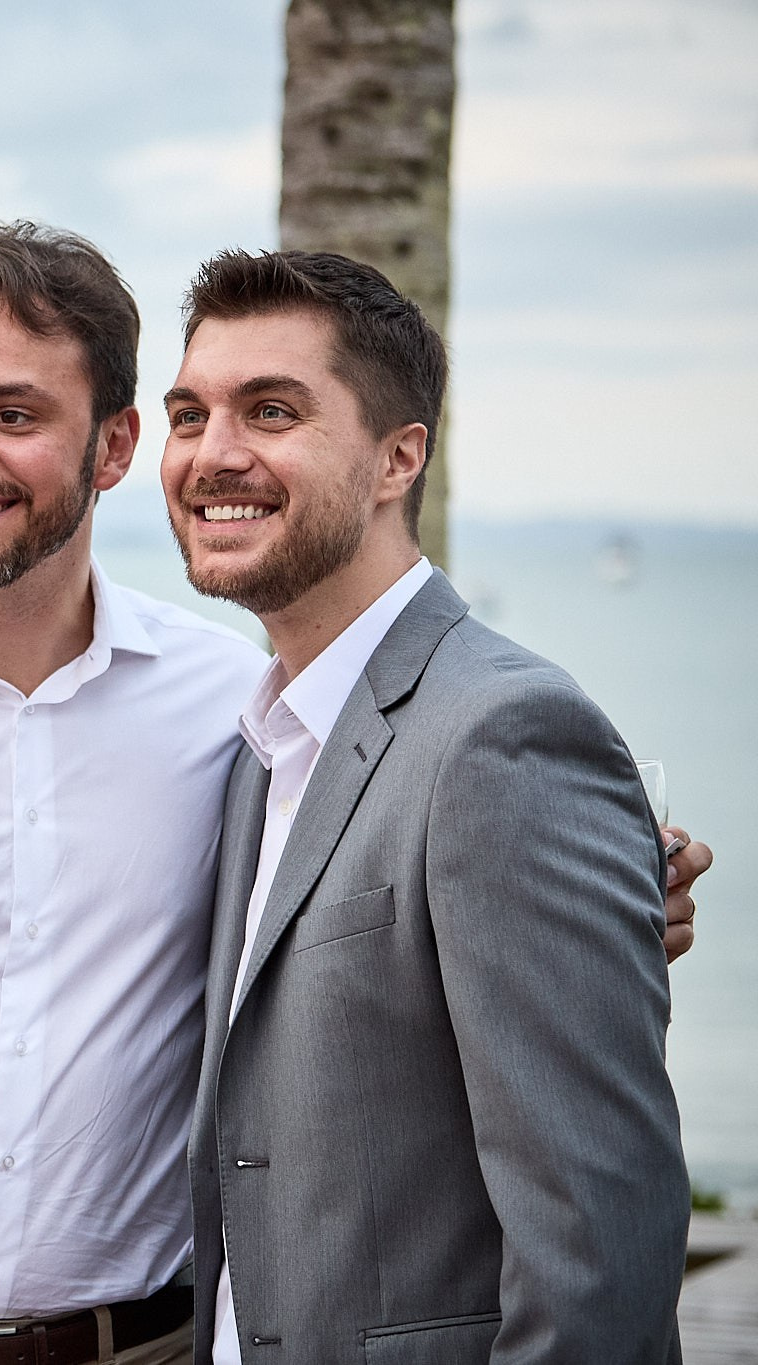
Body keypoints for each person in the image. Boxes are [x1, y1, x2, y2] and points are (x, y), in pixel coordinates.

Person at [0, 223, 709, 1365]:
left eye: (9, 414)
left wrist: (605, 894)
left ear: (108, 449)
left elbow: (403, 887)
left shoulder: (230, 710)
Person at [164, 250, 688, 1362]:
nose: (213, 455)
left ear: (398, 456)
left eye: (270, 410)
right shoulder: (260, 746)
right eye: (188, 413)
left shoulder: (504, 737)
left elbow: (596, 1241)